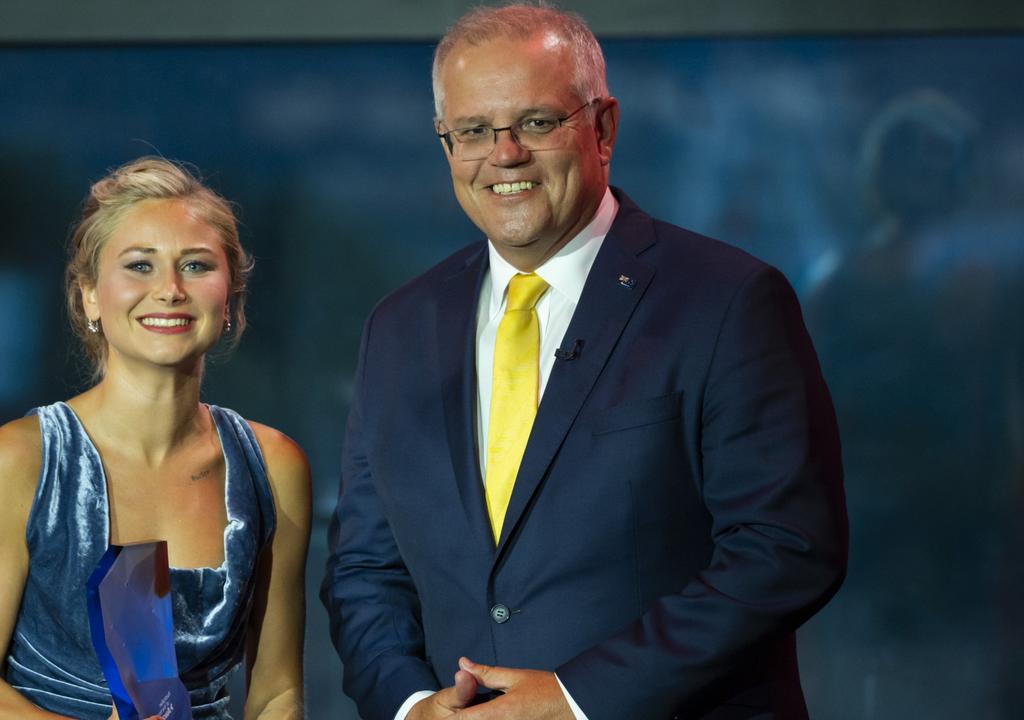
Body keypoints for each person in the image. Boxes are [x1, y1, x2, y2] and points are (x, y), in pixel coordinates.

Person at [320, 5, 847, 720]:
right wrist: (412, 706)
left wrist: (574, 699)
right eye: (473, 131)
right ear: (446, 145)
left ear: (603, 127)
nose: (504, 154)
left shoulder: (726, 301)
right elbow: (364, 569)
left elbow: (785, 548)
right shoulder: (400, 325)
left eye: (535, 122)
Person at [0, 157, 310, 720]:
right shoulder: (16, 459)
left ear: (229, 298)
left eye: (195, 265)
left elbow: (278, 691)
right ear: (89, 296)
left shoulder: (272, 463)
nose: (169, 289)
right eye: (140, 265)